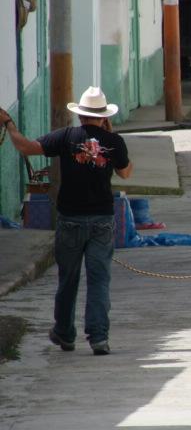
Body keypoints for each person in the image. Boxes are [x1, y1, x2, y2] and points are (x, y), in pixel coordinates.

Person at [0, 87, 132, 354]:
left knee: (68, 279)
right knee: (99, 281)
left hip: (71, 218)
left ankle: (64, 333)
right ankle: (98, 339)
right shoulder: (114, 141)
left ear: (80, 115)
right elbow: (126, 173)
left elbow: (26, 147)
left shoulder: (66, 137)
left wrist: (9, 124)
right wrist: (110, 137)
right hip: (102, 221)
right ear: (103, 115)